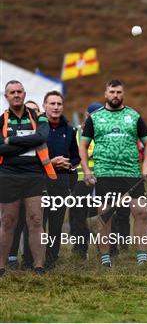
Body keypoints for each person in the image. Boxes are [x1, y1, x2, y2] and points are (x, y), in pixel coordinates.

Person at [79, 79, 147, 267]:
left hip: (130, 173)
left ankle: (141, 258)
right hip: (105, 173)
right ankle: (105, 258)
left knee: (141, 212)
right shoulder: (95, 118)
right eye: (112, 92)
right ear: (106, 94)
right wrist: (87, 170)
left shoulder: (133, 116)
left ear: (123, 94)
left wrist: (146, 165)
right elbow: (83, 145)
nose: (115, 95)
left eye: (119, 92)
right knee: (105, 215)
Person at [0, 80, 56, 276]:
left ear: (24, 94)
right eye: (12, 92)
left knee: (35, 219)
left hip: (34, 175)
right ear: (6, 96)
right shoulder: (1, 120)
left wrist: (11, 141)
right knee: (8, 221)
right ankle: (1, 267)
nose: (16, 95)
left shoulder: (38, 116)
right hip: (8, 175)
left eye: (19, 91)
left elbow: (41, 138)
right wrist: (27, 142)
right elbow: (1, 148)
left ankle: (38, 266)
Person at [42, 91, 80, 269]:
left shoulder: (70, 130)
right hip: (39, 182)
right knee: (37, 222)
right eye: (52, 103)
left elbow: (76, 156)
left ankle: (52, 259)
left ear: (62, 107)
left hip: (61, 183)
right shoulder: (38, 128)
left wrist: (69, 164)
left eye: (59, 104)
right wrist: (50, 163)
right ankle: (33, 259)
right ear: (44, 106)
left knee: (56, 224)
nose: (56, 107)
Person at [69, 103, 102, 260]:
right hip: (82, 180)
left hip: (102, 180)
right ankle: (80, 250)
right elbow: (82, 153)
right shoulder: (79, 132)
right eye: (94, 116)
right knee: (79, 216)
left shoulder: (104, 132)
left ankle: (106, 250)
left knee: (102, 216)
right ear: (87, 116)